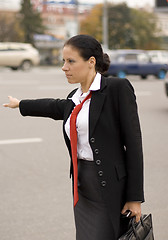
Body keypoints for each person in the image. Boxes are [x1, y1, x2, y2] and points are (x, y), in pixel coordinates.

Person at [3, 34, 144, 240]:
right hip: (82, 188)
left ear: (91, 62)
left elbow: (134, 145)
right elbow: (53, 106)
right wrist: (20, 104)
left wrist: (135, 198)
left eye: (71, 61)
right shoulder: (74, 98)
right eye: (63, 61)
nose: (64, 67)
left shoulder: (117, 89)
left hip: (109, 187)